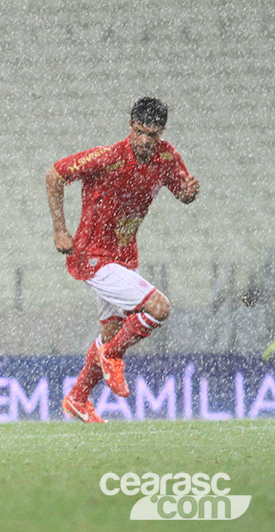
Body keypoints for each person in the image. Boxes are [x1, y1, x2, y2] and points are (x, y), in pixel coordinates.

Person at [46, 97, 200, 423]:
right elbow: (55, 174)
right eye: (140, 132)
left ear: (162, 133)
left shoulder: (166, 157)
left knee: (112, 330)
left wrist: (188, 193)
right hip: (93, 256)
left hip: (124, 255)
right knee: (158, 308)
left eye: (153, 135)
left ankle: (77, 397)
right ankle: (112, 354)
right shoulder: (108, 157)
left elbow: (182, 192)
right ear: (130, 125)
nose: (145, 141)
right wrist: (60, 231)